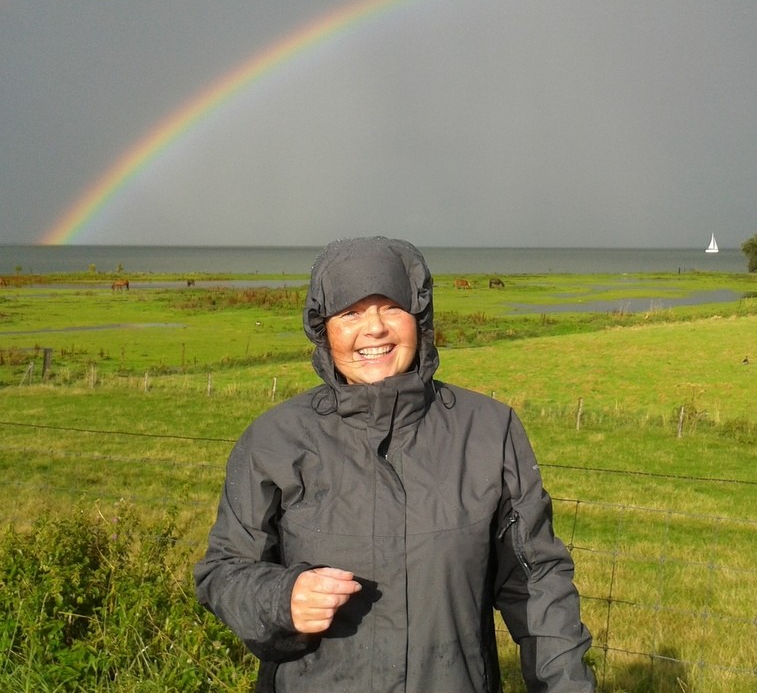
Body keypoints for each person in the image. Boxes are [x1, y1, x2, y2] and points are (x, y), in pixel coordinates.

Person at [195, 236, 595, 692]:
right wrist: (280, 598)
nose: (374, 329)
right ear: (323, 330)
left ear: (419, 318)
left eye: (390, 307)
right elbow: (223, 569)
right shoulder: (275, 439)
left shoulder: (489, 430)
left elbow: (537, 582)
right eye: (350, 313)